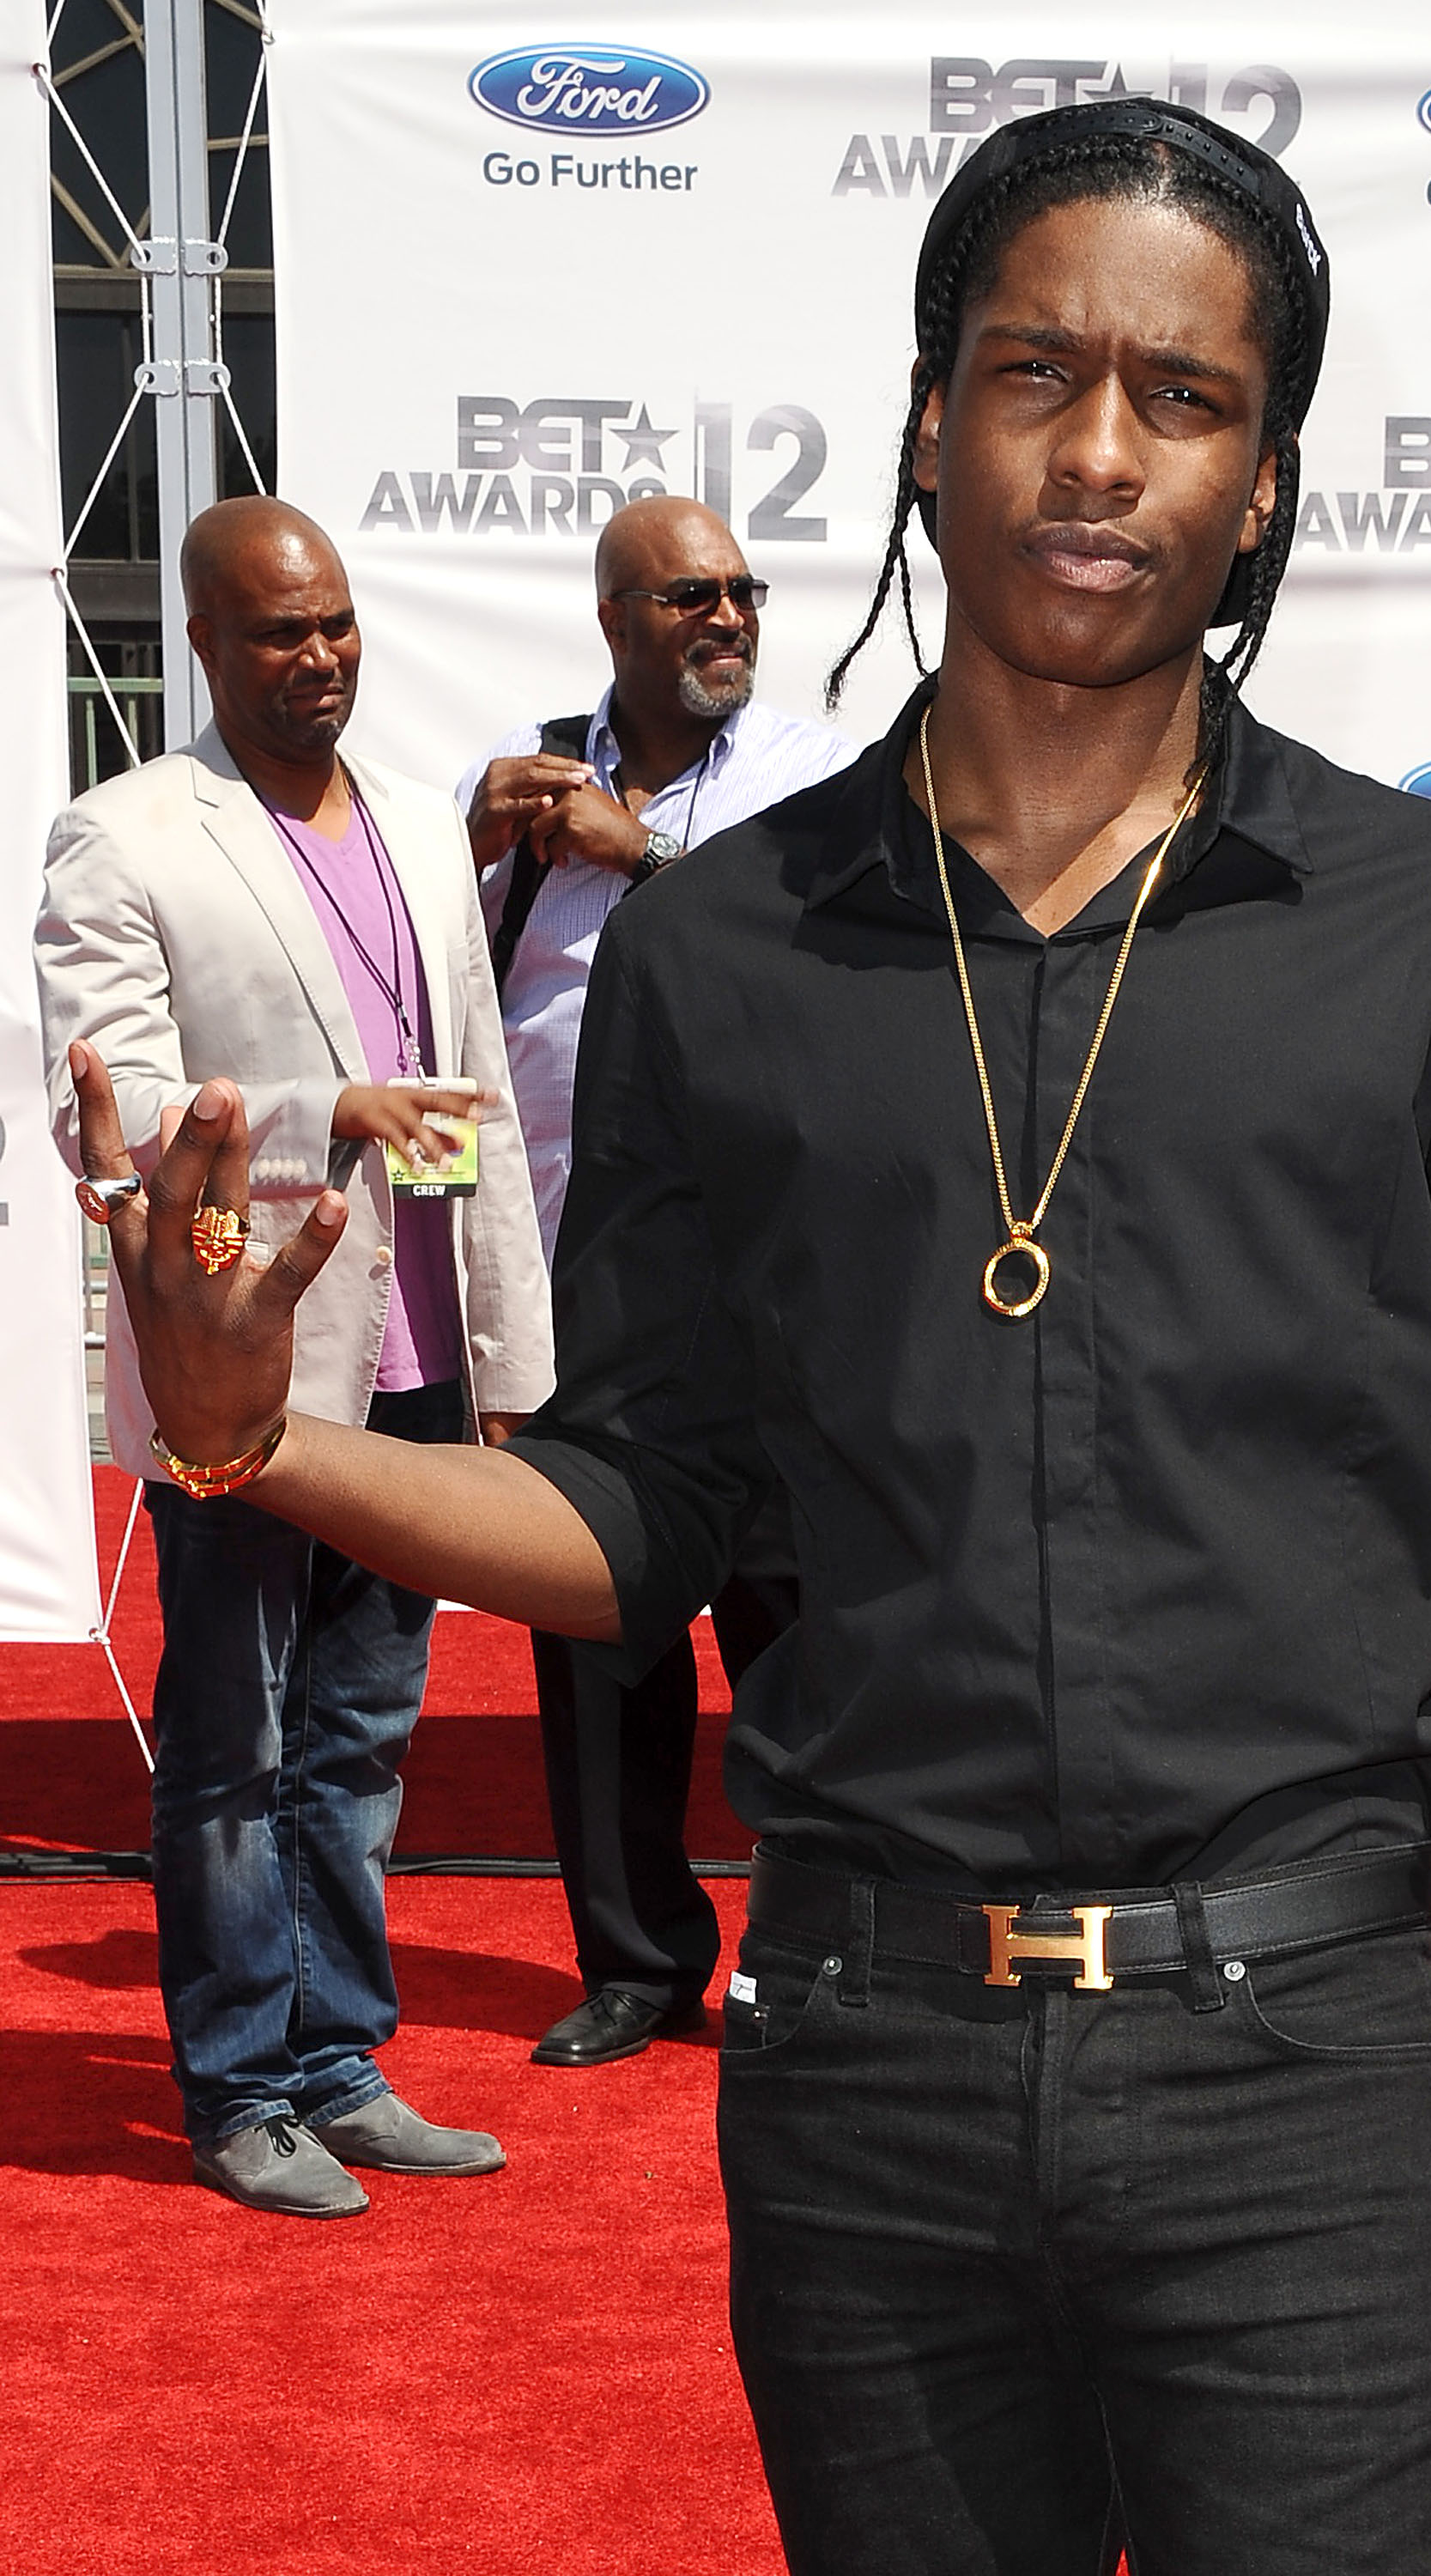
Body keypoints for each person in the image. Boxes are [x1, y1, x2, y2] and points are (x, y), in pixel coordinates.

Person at [66, 102, 1431, 2567]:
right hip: (859, 2073)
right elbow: (641, 1511)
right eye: (1034, 371)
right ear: (926, 414)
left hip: (1300, 2080)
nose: (1100, 451)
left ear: (1263, 478)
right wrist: (253, 1441)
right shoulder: (719, 950)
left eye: (1184, 398)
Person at [38, 496, 553, 2221]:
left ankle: (339, 2060)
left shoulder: (420, 824)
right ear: (201, 641)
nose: (317, 657)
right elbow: (105, 1113)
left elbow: (466, 1098)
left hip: (411, 1366)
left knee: (362, 1736)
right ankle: (241, 2083)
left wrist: (504, 1353)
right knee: (231, 1744)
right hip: (242, 1367)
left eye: (333, 625)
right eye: (276, 632)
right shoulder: (123, 839)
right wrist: (313, 1112)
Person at [457, 496, 854, 2069]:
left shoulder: (809, 774)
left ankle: (814, 1950)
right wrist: (468, 850)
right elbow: (432, 985)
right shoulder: (527, 769)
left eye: (747, 593)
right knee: (599, 1641)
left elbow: (826, 962)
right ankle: (634, 1960)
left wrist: (652, 855)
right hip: (577, 1293)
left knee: (803, 1644)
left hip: (776, 1297)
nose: (731, 619)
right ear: (618, 616)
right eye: (693, 595)